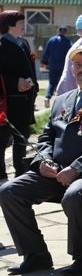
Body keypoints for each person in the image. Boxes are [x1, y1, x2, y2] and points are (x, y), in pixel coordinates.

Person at [0, 44, 82, 276]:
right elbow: (46, 136)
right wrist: (43, 161)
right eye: (77, 65)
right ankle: (35, 254)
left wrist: (76, 168)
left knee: (73, 196)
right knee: (9, 191)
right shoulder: (63, 99)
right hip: (54, 171)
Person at [0, 11, 38, 179]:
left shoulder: (23, 43)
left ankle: (20, 174)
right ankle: (1, 176)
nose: (23, 26)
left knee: (22, 139)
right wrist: (15, 82)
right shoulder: (1, 44)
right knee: (2, 140)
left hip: (25, 101)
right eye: (20, 23)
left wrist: (33, 87)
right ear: (10, 25)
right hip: (8, 102)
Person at [40, 26, 72, 108]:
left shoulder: (51, 40)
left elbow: (46, 52)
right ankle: (61, 100)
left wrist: (44, 62)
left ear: (58, 31)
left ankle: (48, 97)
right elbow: (71, 53)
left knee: (52, 83)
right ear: (65, 32)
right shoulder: (67, 41)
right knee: (63, 82)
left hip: (53, 65)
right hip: (63, 66)